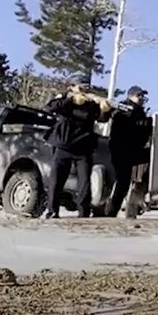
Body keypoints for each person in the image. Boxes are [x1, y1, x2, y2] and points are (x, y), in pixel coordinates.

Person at [42, 84, 111, 219]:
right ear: (72, 87)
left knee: (84, 182)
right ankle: (52, 211)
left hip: (83, 147)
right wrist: (71, 99)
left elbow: (102, 119)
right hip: (64, 145)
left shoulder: (90, 102)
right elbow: (51, 108)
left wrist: (105, 110)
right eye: (80, 86)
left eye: (85, 87)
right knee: (56, 181)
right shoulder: (63, 98)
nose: (83, 89)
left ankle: (83, 213)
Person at [105, 85, 153, 218]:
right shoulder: (123, 109)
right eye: (138, 95)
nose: (141, 98)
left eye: (142, 95)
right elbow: (130, 127)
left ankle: (141, 186)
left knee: (155, 157)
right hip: (121, 150)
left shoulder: (140, 111)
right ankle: (111, 211)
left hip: (134, 149)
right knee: (122, 181)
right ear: (130, 96)